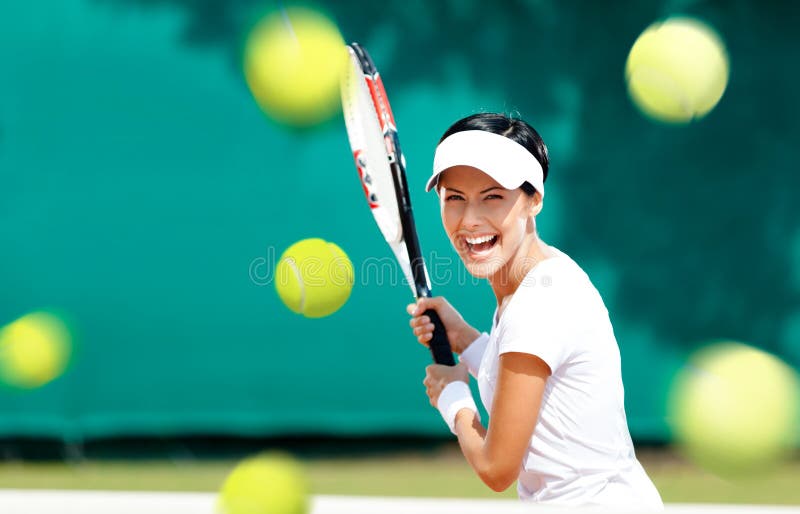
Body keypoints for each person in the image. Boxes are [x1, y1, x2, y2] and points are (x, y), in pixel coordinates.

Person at [406, 113, 663, 509]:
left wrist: (452, 397)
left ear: (534, 199)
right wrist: (465, 340)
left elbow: (496, 469)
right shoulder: (542, 276)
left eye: (492, 197)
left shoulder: (538, 305)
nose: (470, 220)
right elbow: (536, 383)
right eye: (454, 198)